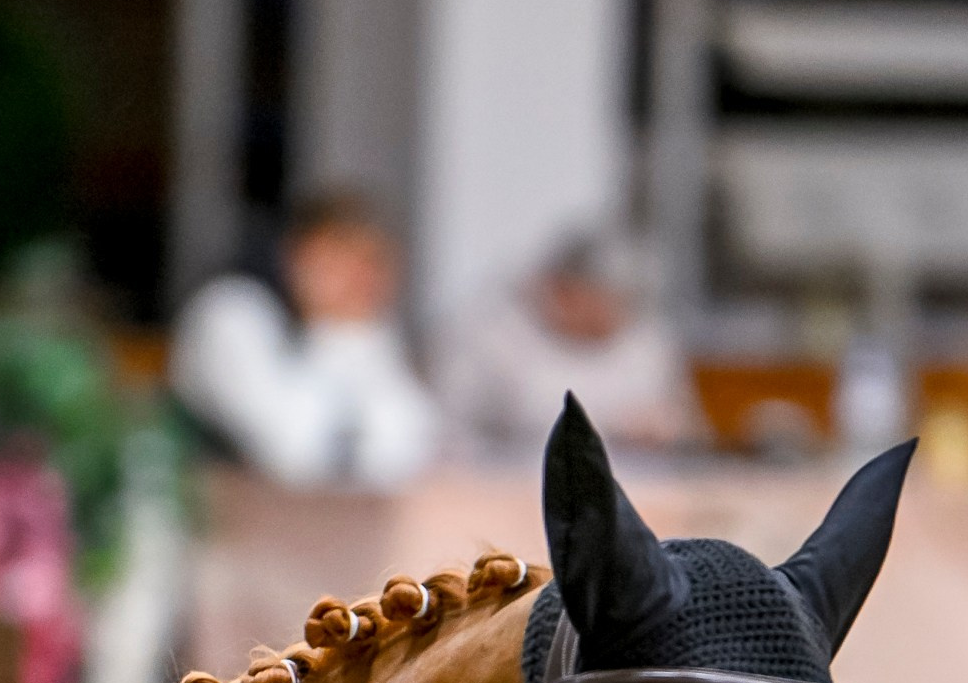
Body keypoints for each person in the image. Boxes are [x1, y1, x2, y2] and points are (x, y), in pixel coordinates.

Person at [169, 191, 438, 489]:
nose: (359, 279)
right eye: (341, 255)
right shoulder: (230, 314)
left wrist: (353, 337)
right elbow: (295, 455)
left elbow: (409, 455)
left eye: (374, 263)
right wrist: (337, 334)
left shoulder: (364, 336)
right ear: (295, 256)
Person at [435, 232, 700, 459]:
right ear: (562, 289)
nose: (613, 314)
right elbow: (448, 432)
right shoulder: (491, 336)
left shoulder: (646, 344)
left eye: (623, 302)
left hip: (636, 489)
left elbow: (687, 426)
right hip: (511, 489)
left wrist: (665, 429)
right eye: (602, 301)